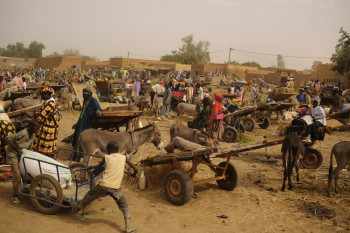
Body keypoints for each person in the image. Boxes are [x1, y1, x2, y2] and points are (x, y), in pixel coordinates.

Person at [71, 141, 137, 233]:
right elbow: (136, 168)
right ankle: (128, 227)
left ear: (109, 150)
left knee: (89, 196)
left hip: (103, 186)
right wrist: (134, 174)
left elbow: (98, 167)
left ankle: (78, 207)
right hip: (116, 188)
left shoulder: (106, 157)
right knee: (125, 205)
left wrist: (91, 167)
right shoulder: (124, 157)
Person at [5, 120, 40, 204]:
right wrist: (17, 149)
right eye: (37, 128)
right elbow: (7, 138)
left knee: (26, 173)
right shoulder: (23, 133)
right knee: (17, 175)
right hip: (13, 154)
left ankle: (22, 190)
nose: (38, 129)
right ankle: (15, 196)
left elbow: (30, 147)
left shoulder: (33, 135)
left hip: (22, 155)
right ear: (31, 127)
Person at [32, 84, 61, 157]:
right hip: (45, 127)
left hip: (48, 129)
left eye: (41, 94)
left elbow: (40, 118)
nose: (41, 96)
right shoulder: (47, 102)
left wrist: (34, 120)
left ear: (46, 94)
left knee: (46, 147)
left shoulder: (50, 105)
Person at [72, 88, 101, 157]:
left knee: (85, 136)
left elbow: (98, 109)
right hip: (82, 120)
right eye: (83, 94)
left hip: (88, 121)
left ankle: (83, 151)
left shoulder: (93, 100)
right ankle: (77, 150)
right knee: (78, 134)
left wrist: (96, 111)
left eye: (85, 94)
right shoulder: (85, 101)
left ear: (89, 95)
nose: (84, 95)